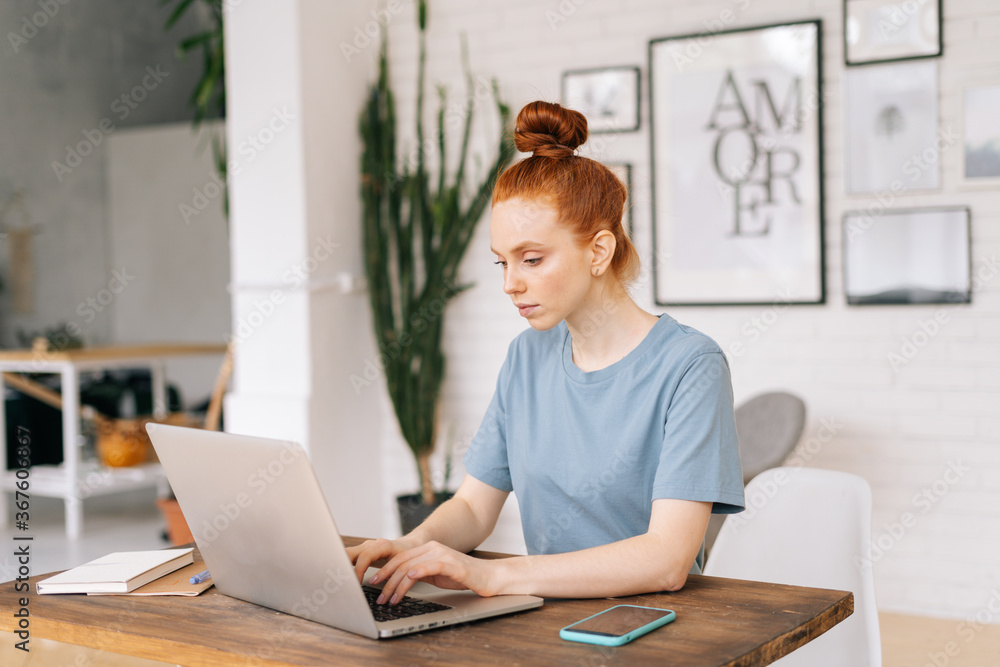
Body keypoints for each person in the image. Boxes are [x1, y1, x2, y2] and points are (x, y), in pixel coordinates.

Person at [347, 100, 744, 606]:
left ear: (598, 251)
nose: (511, 284)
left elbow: (666, 560)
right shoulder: (527, 357)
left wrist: (493, 577)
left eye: (532, 259)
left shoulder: (690, 366)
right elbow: (472, 508)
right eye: (502, 263)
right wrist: (407, 548)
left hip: (651, 626)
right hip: (546, 621)